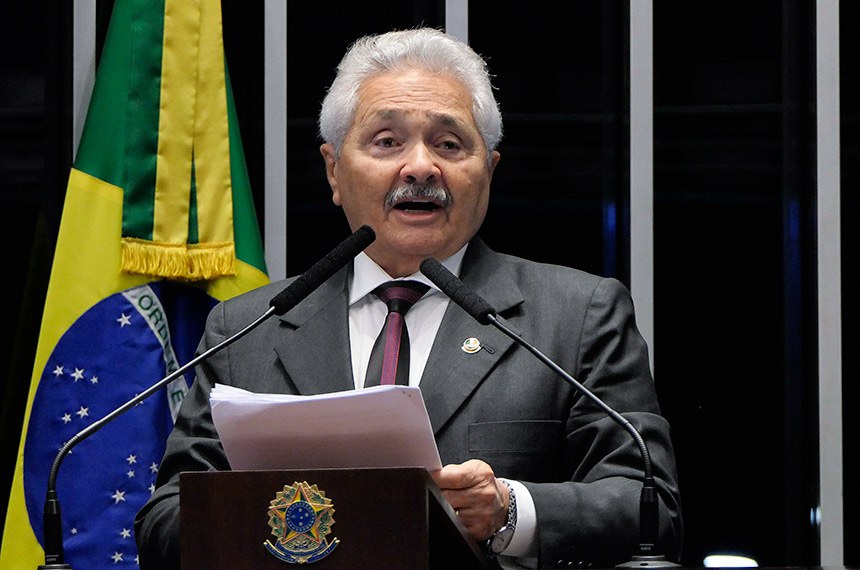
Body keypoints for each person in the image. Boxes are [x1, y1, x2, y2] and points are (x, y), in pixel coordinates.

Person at [135, 27, 683, 569]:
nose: (421, 166)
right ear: (334, 170)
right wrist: (280, 519)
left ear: (488, 172)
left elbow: (650, 509)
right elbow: (163, 523)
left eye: (449, 144)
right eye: (387, 142)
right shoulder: (246, 329)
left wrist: (510, 510)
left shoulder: (576, 316)